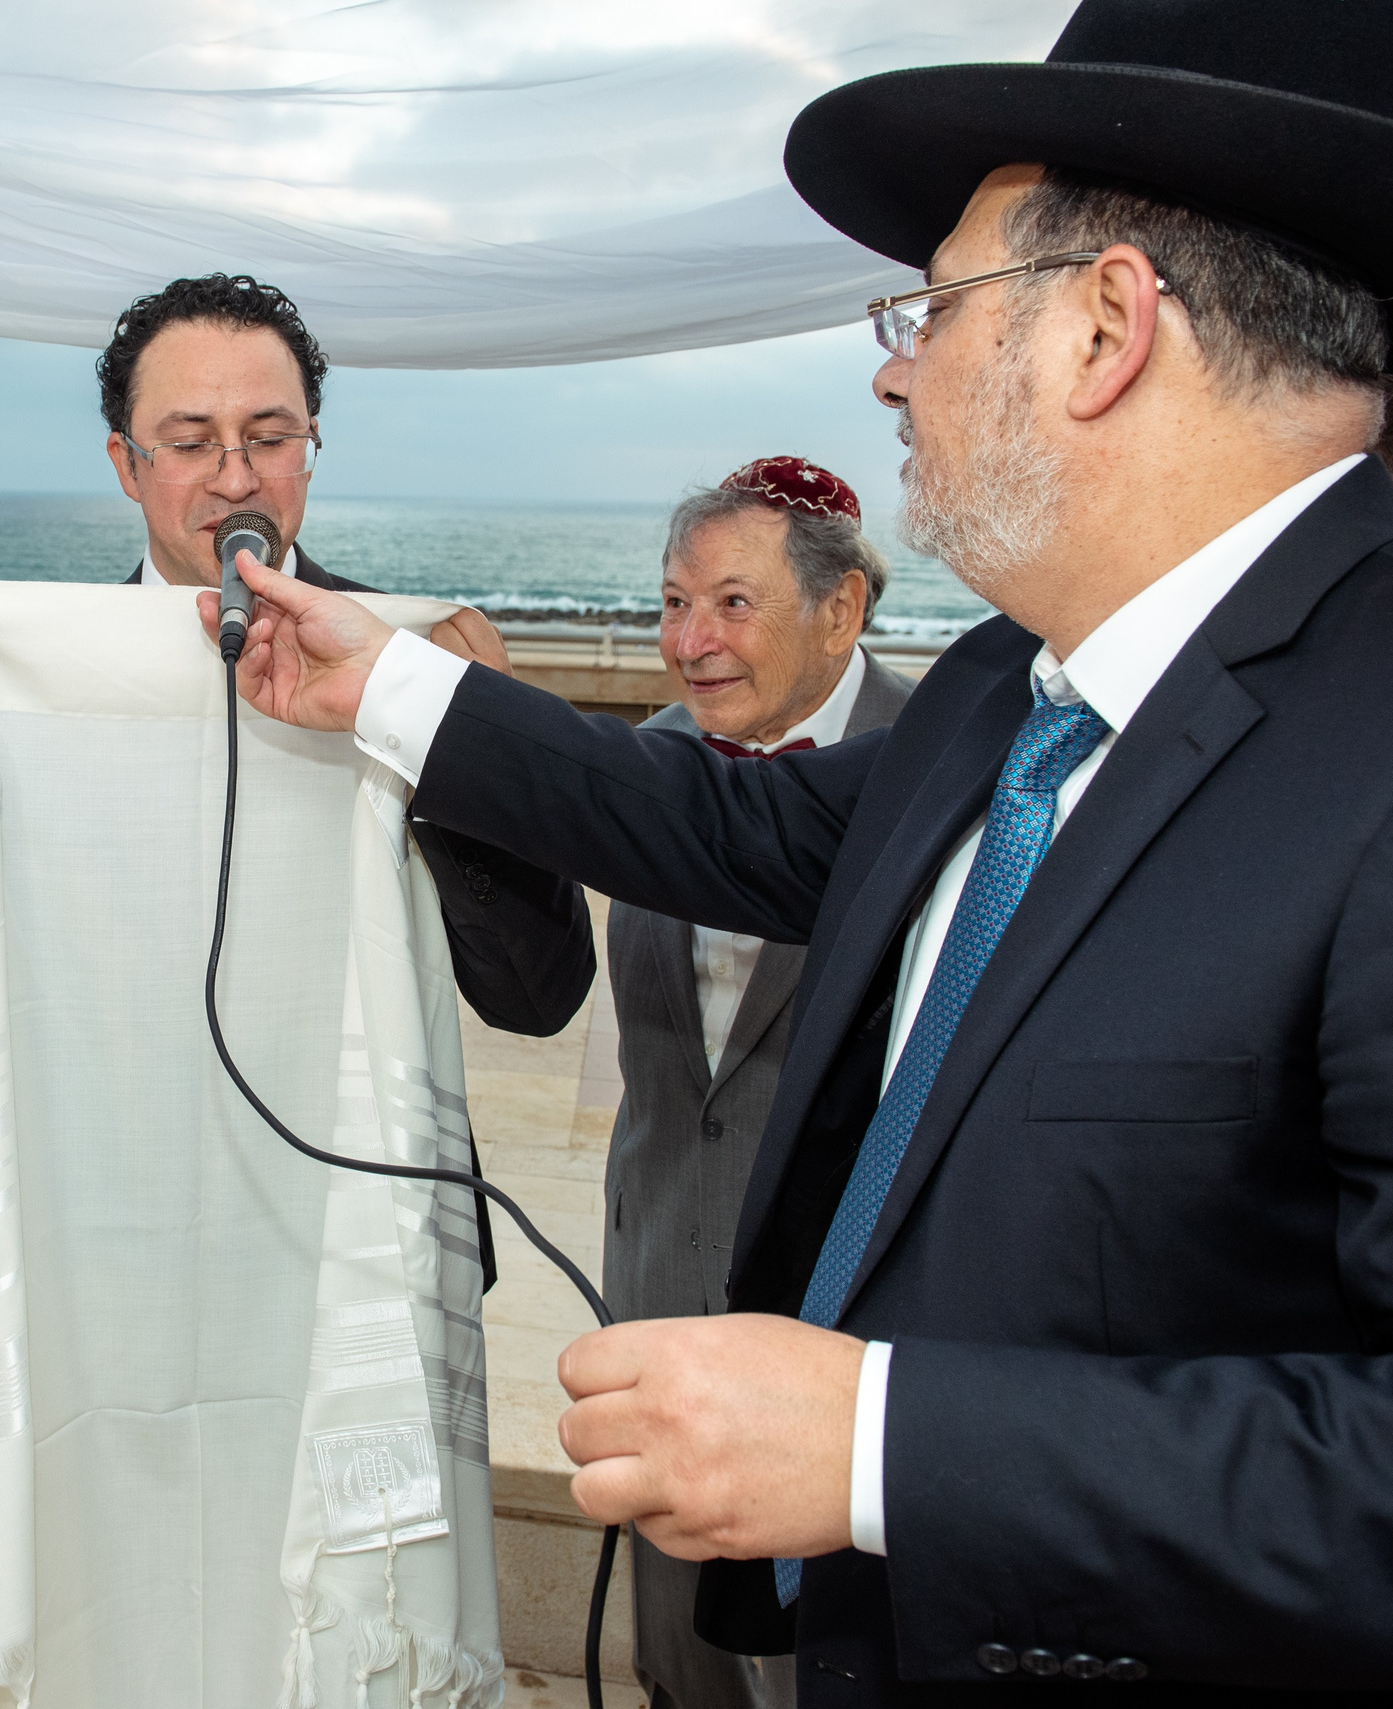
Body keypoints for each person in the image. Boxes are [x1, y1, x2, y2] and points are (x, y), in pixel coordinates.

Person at [201, 0, 1393, 1696]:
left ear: (1107, 327)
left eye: (934, 307)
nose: (895, 367)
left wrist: (879, 1440)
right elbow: (716, 815)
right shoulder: (1006, 687)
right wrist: (387, 684)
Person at [0, 272, 597, 1281]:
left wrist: (469, 756)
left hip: (357, 1224)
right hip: (98, 1224)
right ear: (126, 464)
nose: (235, 478)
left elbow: (537, 997)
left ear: (311, 446)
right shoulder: (18, 677)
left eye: (270, 437)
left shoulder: (418, 663)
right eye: (189, 442)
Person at [604, 457, 910, 1709]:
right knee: (677, 1671)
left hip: (832, 1332)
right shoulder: (647, 761)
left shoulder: (935, 770)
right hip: (656, 1295)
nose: (692, 640)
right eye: (675, 603)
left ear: (838, 612)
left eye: (731, 603)